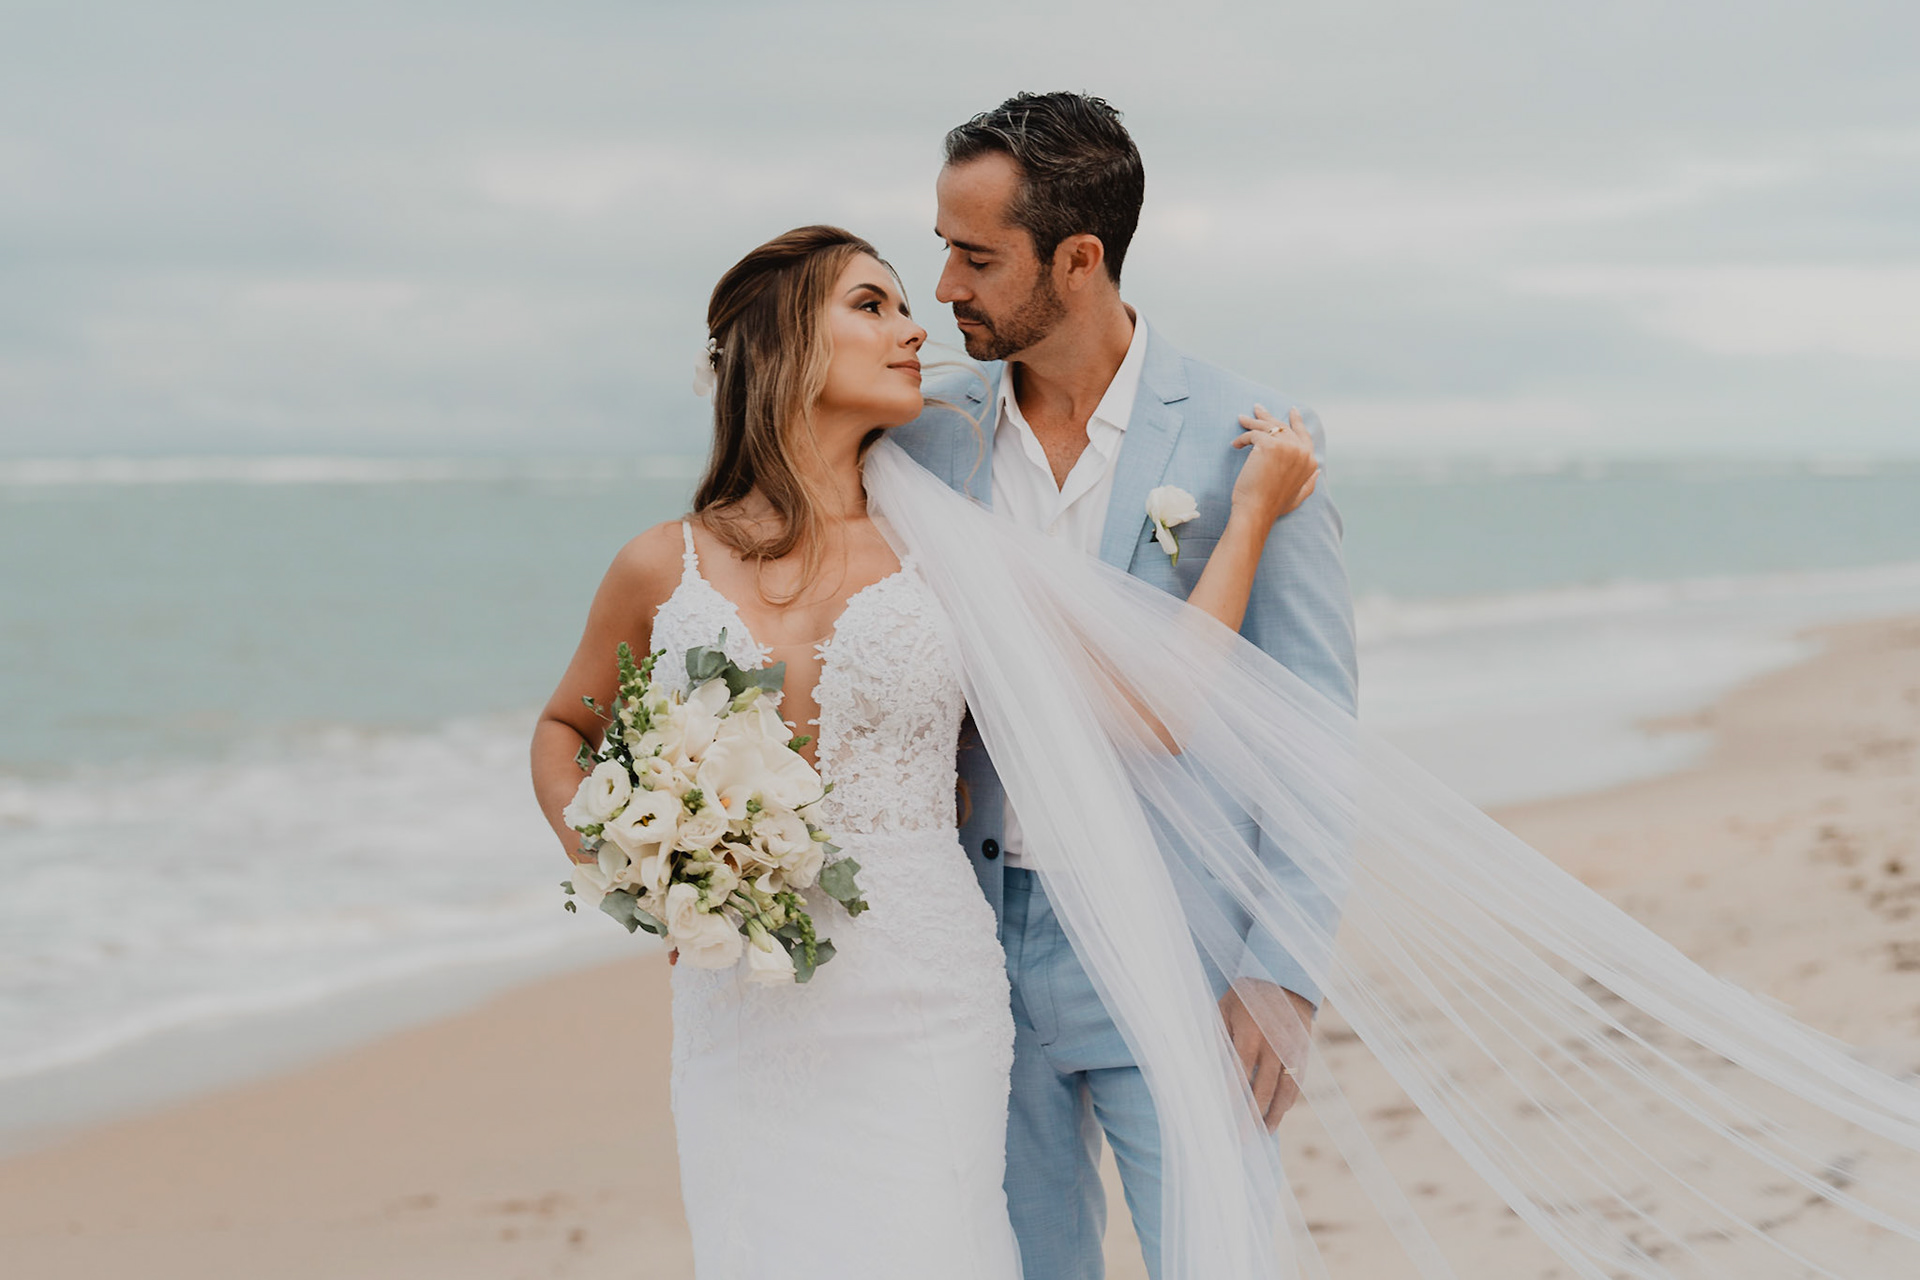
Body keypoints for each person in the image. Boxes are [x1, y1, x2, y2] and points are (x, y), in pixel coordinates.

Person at [528, 224, 1321, 1279]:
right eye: (872, 305)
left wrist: (1251, 519)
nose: (916, 329)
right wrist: (641, 870)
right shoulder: (657, 561)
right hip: (739, 1015)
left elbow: (1157, 706)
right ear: (781, 348)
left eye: (905, 305)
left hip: (924, 997)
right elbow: (566, 732)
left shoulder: (950, 549)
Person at [887, 91, 1354, 1280]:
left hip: (1175, 944)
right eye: (943, 246)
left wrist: (1285, 967)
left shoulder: (1250, 445)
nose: (943, 286)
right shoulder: (925, 439)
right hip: (977, 955)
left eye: (975, 255)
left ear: (1078, 259)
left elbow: (1313, 727)